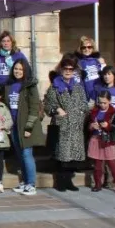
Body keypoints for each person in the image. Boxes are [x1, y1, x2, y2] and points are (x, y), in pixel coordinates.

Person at [44, 56, 89, 192]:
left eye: (71, 69)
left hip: (75, 126)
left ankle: (69, 181)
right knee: (62, 156)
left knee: (72, 158)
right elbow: (47, 105)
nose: (68, 71)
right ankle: (60, 182)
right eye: (65, 69)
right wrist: (56, 109)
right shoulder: (55, 87)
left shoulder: (78, 87)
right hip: (62, 125)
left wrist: (81, 113)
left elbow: (84, 104)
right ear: (61, 70)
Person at [5, 59, 44, 196]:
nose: (18, 71)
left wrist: (29, 127)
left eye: (21, 69)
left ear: (25, 70)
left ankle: (31, 184)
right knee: (20, 155)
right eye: (16, 69)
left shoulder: (30, 86)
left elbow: (34, 108)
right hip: (14, 125)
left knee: (27, 154)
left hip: (26, 126)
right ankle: (25, 182)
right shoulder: (9, 85)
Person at [88, 90, 115, 194]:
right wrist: (92, 126)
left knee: (113, 165)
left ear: (109, 101)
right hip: (96, 138)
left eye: (104, 102)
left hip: (108, 140)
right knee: (97, 166)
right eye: (100, 102)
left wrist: (108, 126)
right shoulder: (94, 111)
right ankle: (98, 184)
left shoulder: (113, 112)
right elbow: (88, 125)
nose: (102, 105)